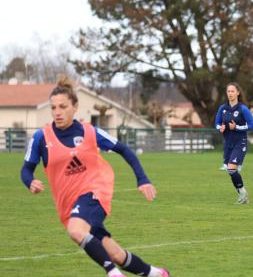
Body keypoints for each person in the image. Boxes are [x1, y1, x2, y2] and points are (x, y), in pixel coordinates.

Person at [20, 76, 169, 277]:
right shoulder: (41, 137)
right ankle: (157, 274)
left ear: (75, 107)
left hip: (95, 192)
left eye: (63, 107)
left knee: (76, 231)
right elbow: (26, 170)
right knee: (114, 253)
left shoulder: (90, 132)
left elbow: (124, 150)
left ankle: (113, 274)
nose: (57, 112)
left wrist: (142, 179)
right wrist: (30, 182)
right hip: (68, 205)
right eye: (53, 108)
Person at [214, 82, 253, 204]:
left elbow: (252, 126)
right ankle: (242, 195)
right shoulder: (223, 108)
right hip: (228, 144)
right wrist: (220, 128)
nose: (230, 93)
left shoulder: (243, 109)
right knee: (230, 170)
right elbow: (216, 123)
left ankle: (243, 194)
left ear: (238, 92)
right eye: (228, 91)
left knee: (231, 168)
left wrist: (236, 127)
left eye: (232, 91)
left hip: (240, 143)